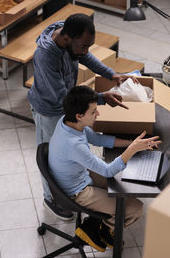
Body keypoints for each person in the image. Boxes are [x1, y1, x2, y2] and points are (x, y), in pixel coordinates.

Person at [28, 13, 137, 220]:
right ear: (67, 38)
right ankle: (52, 198)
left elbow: (83, 55)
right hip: (49, 109)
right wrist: (101, 98)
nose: (86, 50)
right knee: (49, 159)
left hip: (68, 102)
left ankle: (73, 184)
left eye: (89, 45)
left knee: (65, 155)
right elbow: (64, 97)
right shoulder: (46, 57)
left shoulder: (68, 33)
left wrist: (110, 74)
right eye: (84, 45)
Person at [48, 86, 161, 252]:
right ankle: (101, 228)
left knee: (125, 180)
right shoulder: (73, 145)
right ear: (79, 116)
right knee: (135, 209)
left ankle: (101, 223)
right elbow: (108, 171)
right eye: (94, 112)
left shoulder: (67, 121)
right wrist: (132, 150)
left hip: (79, 175)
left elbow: (95, 138)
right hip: (77, 192)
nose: (98, 114)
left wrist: (131, 144)